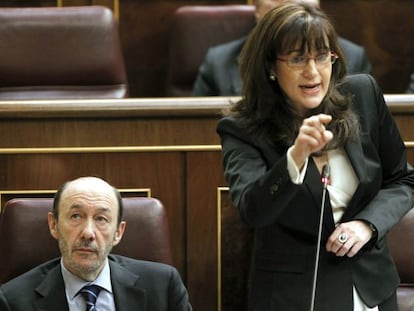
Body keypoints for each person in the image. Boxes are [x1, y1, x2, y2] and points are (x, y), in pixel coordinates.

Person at [216, 2, 414, 311]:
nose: (312, 72)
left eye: (321, 57)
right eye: (297, 59)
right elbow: (253, 210)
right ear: (270, 67)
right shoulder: (242, 128)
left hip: (371, 288)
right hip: (296, 295)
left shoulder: (363, 96)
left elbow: (404, 179)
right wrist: (296, 157)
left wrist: (367, 224)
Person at [0, 176, 192, 311]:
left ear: (118, 232)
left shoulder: (163, 286)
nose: (88, 233)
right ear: (54, 225)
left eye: (101, 219)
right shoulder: (13, 301)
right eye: (76, 216)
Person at [192, 0, 372, 96]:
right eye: (297, 59)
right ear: (256, 8)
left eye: (322, 57)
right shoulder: (219, 61)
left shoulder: (353, 56)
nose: (288, 2)